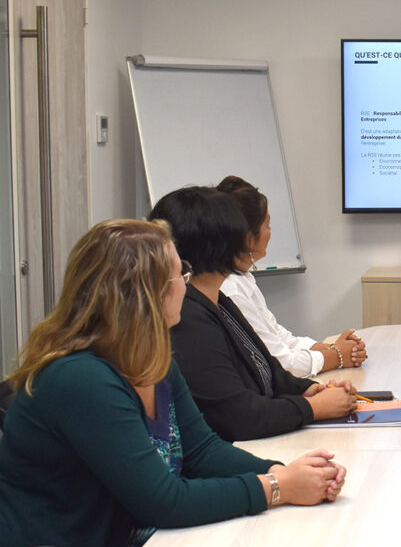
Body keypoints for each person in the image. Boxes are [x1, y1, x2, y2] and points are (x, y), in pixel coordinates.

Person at [0, 219, 347, 547]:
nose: (186, 285)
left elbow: (201, 451)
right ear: (146, 294)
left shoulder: (151, 357)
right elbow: (163, 502)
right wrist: (277, 487)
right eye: (180, 275)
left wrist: (287, 472)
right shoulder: (80, 378)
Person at [148, 187, 358, 441]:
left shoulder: (218, 300)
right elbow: (237, 416)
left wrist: (313, 390)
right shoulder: (188, 318)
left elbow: (269, 368)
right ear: (221, 247)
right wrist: (314, 407)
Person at [217, 175, 367, 377]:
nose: (270, 232)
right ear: (248, 236)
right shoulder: (230, 289)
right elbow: (280, 363)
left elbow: (278, 337)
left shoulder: (242, 277)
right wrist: (338, 356)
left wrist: (332, 348)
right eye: (267, 225)